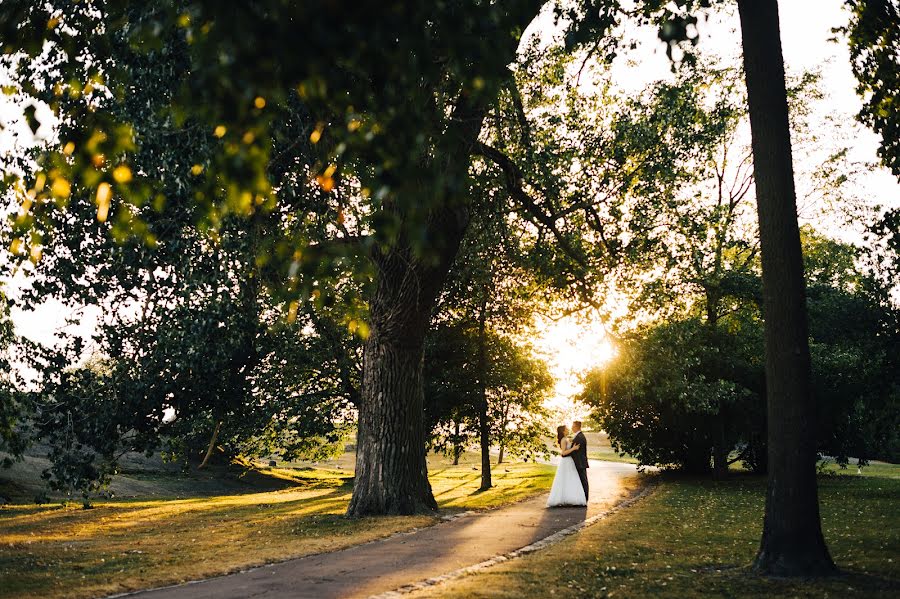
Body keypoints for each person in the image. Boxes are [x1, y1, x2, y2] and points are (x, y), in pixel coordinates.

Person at [546, 424, 587, 507]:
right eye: (566, 429)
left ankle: (570, 498)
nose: (568, 429)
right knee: (565, 480)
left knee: (570, 480)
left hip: (569, 461)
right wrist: (573, 448)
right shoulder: (563, 440)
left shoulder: (566, 439)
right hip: (566, 461)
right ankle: (564, 498)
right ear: (563, 431)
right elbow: (563, 453)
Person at [570, 420, 589, 501]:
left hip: (580, 462)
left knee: (583, 480)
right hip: (579, 462)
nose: (571, 428)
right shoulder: (578, 436)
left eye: (573, 426)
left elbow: (576, 451)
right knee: (581, 480)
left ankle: (584, 498)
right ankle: (582, 498)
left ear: (576, 427)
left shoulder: (580, 437)